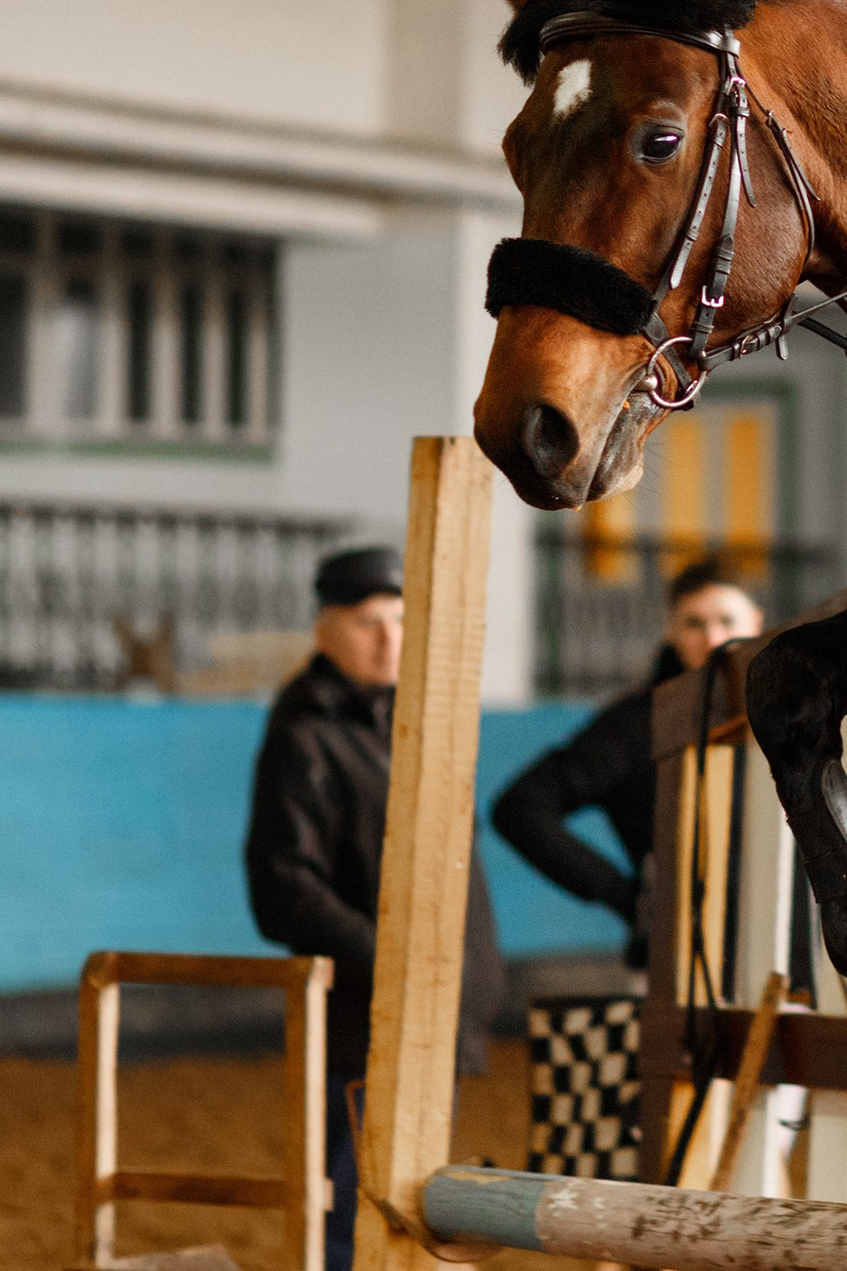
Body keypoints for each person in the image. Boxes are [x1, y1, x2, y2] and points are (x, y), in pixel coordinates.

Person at [244, 545, 503, 1271]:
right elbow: (283, 888)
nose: (389, 637)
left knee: (400, 1206)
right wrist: (399, 960)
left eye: (399, 618)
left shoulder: (407, 721)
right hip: (370, 1022)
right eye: (367, 621)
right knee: (355, 1215)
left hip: (428, 1013)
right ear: (325, 628)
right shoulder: (306, 735)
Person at [491, 556, 767, 967]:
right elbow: (521, 807)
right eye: (694, 623)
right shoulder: (638, 724)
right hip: (675, 959)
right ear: (671, 629)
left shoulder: (788, 711)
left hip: (795, 954)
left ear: (756, 622)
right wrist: (629, 897)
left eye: (727, 620)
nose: (713, 638)